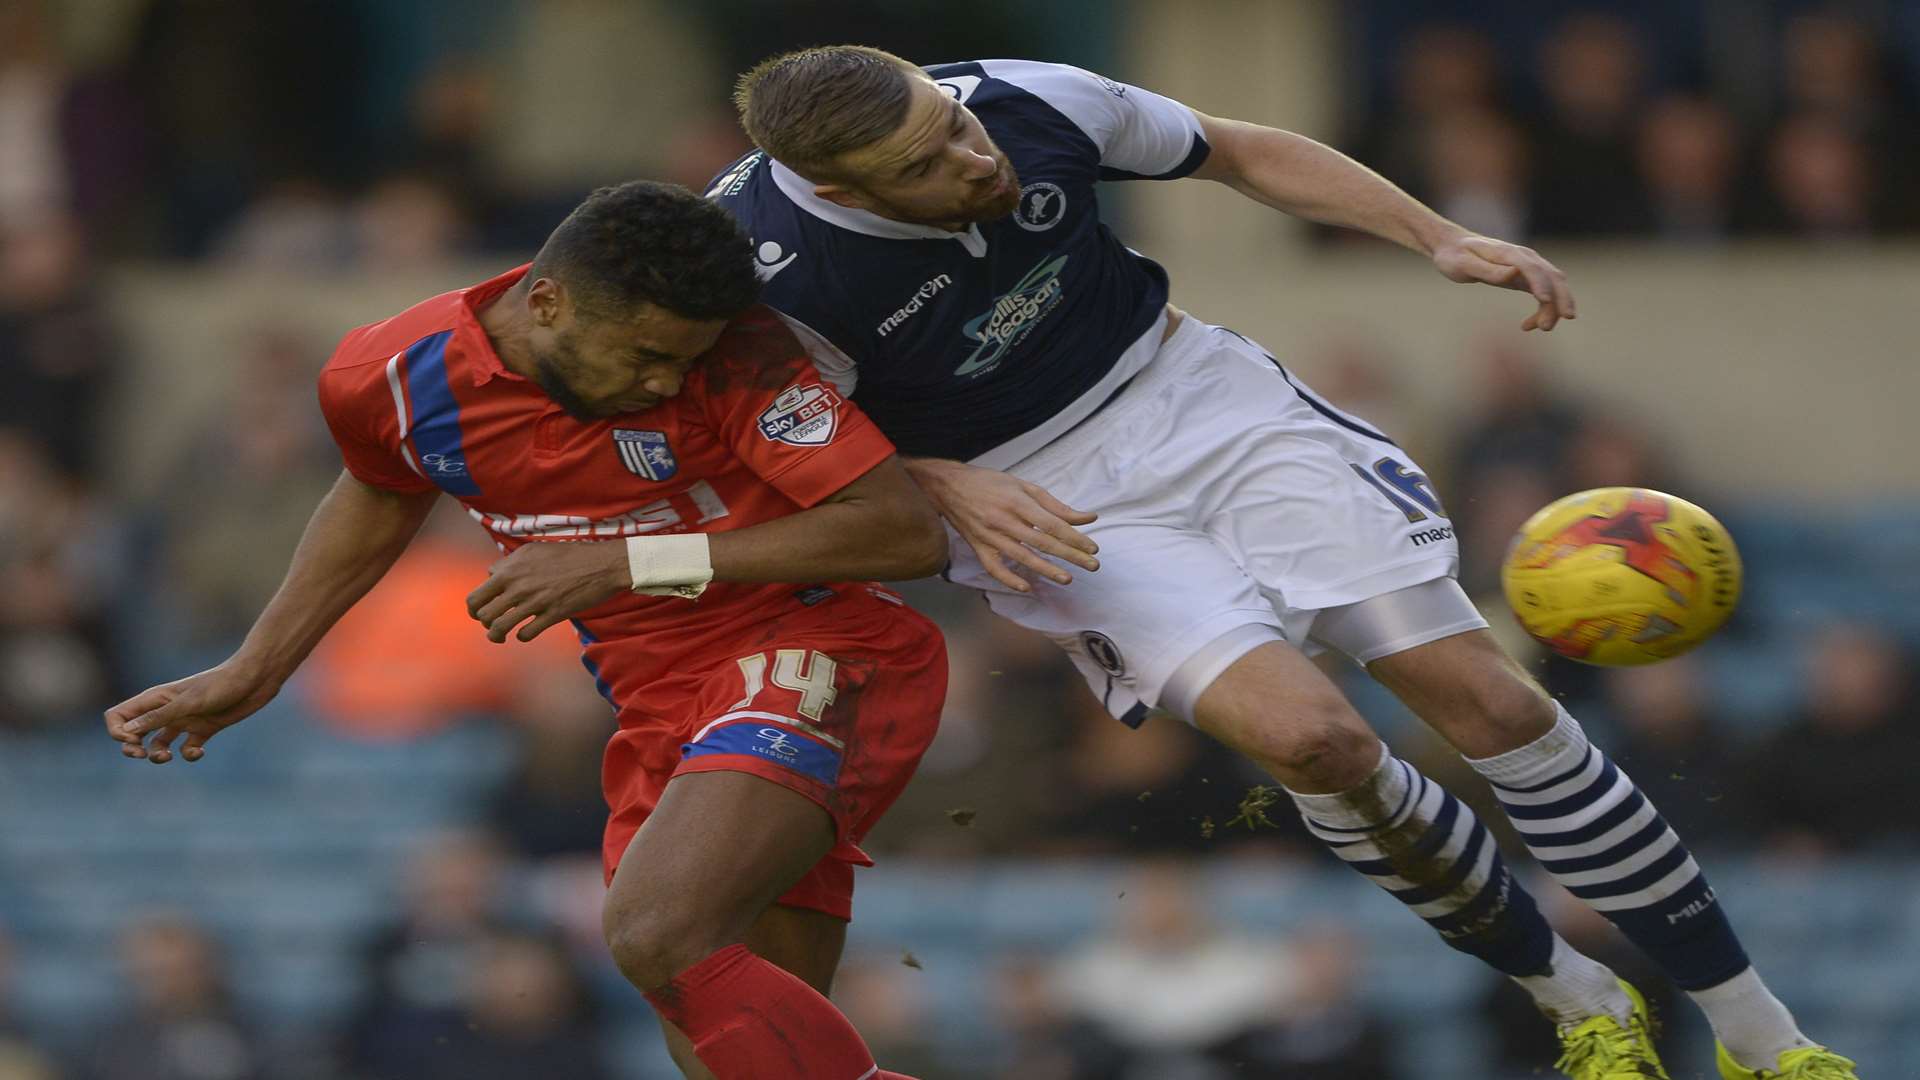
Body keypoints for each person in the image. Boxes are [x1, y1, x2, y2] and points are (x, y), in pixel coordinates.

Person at [712, 46, 1855, 1080]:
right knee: (1316, 742)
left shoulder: (1027, 99)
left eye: (951, 119)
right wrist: (948, 479)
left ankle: (1764, 1035)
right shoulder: (765, 282)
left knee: (1490, 706)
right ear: (846, 192)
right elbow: (788, 462)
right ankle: (1572, 994)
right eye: (931, 158)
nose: (976, 153)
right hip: (1033, 499)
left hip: (1204, 401)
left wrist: (1438, 236)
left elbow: (1243, 149)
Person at [103, 180, 950, 1080]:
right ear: (547, 303)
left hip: (821, 644)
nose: (664, 380)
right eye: (646, 354)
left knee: (655, 932)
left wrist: (630, 561)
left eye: (681, 359)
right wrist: (260, 666)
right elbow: (384, 484)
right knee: (733, 1050)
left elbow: (900, 531)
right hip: (659, 702)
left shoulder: (739, 356)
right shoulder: (394, 375)